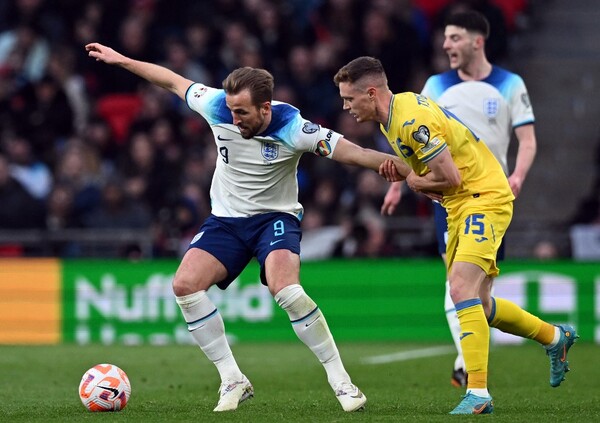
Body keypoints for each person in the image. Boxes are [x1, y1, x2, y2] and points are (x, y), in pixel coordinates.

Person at [85, 41, 404, 413]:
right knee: (184, 286)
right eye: (232, 110)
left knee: (287, 290)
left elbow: (358, 154)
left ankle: (341, 381)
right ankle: (232, 379)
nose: (234, 119)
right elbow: (172, 81)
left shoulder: (295, 128)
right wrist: (123, 61)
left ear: (265, 108)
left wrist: (408, 170)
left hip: (275, 219)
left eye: (242, 113)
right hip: (227, 220)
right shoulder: (216, 104)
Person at [333, 56, 577, 415]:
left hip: (482, 198)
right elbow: (428, 170)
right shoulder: (391, 119)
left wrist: (413, 181)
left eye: (349, 99)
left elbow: (450, 177)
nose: (345, 106)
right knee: (479, 303)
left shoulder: (410, 120)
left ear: (370, 93)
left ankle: (478, 393)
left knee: (460, 289)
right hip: (461, 204)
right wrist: (402, 172)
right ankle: (555, 337)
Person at [381, 10, 538, 388]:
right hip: (449, 198)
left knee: (481, 291)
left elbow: (528, 140)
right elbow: (415, 138)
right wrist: (398, 182)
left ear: (476, 41)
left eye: (453, 38)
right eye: (445, 38)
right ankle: (468, 366)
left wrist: (517, 175)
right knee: (458, 284)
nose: (446, 45)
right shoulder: (436, 85)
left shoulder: (510, 83)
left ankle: (545, 338)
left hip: (492, 193)